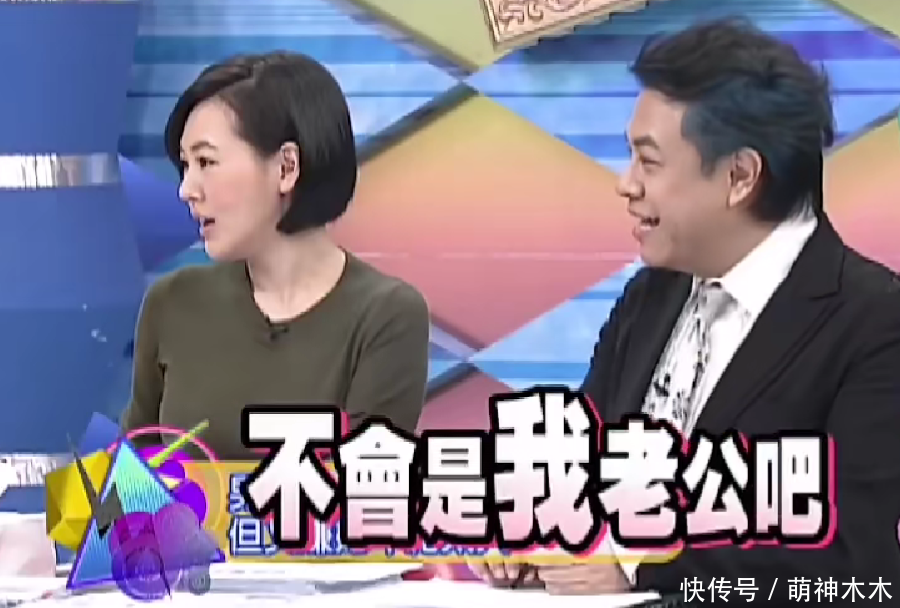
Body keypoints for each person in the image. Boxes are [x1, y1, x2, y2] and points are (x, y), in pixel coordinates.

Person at [470, 18, 900, 597]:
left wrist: (638, 564)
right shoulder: (652, 294)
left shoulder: (875, 322)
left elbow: (856, 560)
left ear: (739, 176)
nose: (626, 185)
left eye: (648, 162)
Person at [120, 52, 431, 460]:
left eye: (206, 162)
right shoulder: (172, 302)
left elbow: (363, 484)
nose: (187, 189)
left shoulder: (386, 315)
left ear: (286, 167)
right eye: (185, 165)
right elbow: (131, 474)